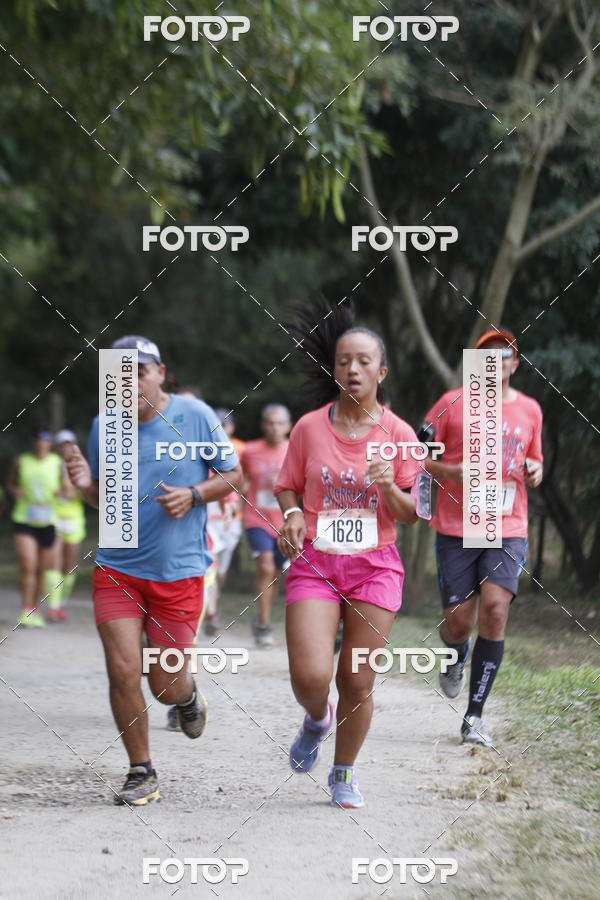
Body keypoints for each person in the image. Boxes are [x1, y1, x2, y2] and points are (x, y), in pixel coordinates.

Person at [66, 335, 243, 805]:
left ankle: (186, 697)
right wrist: (86, 486)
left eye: (138, 371)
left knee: (163, 686)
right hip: (118, 567)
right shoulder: (105, 426)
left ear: (160, 372)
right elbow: (104, 500)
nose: (129, 381)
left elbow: (234, 476)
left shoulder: (195, 416)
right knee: (123, 667)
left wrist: (196, 494)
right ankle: (141, 770)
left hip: (178, 569)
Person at [274, 300, 420, 809]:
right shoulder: (309, 428)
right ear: (334, 369)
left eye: (363, 362)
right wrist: (292, 514)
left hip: (374, 566)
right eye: (342, 361)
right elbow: (288, 487)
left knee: (357, 679)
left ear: (381, 371)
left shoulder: (400, 436)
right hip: (317, 561)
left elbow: (409, 512)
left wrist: (388, 489)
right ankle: (317, 718)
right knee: (310, 677)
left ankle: (343, 772)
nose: (352, 369)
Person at [421, 327, 543, 747]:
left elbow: (535, 461)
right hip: (456, 526)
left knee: (494, 611)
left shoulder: (530, 410)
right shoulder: (451, 404)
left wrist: (534, 470)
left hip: (508, 525)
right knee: (458, 623)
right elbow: (420, 455)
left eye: (504, 354)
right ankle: (455, 655)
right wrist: (448, 472)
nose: (496, 360)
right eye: (487, 354)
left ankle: (474, 716)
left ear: (515, 362)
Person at [7, 427, 67, 628]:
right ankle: (25, 609)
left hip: (48, 521)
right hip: (24, 519)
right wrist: (15, 491)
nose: (43, 444)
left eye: (46, 441)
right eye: (39, 441)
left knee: (41, 570)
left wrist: (63, 491)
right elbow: (11, 483)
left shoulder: (58, 463)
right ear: (33, 442)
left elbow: (69, 489)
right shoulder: (21, 461)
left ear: (50, 444)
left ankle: (35, 610)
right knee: (28, 565)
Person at [242, 405, 291, 646]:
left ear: (288, 426)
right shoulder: (250, 451)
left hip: (284, 522)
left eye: (280, 423)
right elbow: (239, 480)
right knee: (265, 564)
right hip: (256, 517)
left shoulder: (295, 450)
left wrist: (283, 483)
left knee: (275, 573)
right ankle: (263, 625)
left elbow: (306, 485)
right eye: (271, 423)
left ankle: (263, 619)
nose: (275, 427)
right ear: (263, 425)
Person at [203, 409, 246, 636]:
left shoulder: (241, 449)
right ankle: (210, 613)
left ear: (232, 427)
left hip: (231, 518)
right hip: (208, 514)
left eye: (225, 424)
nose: (222, 427)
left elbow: (246, 479)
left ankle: (213, 607)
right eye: (217, 423)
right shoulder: (203, 447)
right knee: (209, 565)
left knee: (220, 572)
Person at [48, 430, 87, 622]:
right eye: (62, 444)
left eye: (69, 444)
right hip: (54, 519)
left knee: (69, 566)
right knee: (53, 563)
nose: (66, 448)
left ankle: (62, 604)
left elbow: (85, 493)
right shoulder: (52, 464)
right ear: (57, 447)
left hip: (75, 520)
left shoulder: (82, 466)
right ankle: (53, 608)